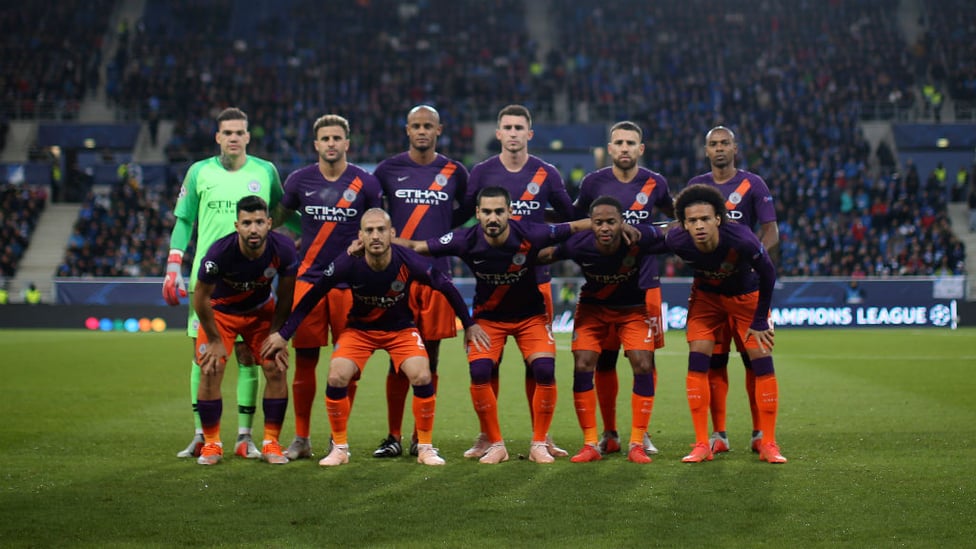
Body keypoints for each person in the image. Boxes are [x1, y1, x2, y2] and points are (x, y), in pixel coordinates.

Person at [261, 209, 489, 467]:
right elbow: (312, 296)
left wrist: (469, 324)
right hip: (360, 331)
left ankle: (425, 447)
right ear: (360, 236)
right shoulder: (347, 262)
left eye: (381, 230)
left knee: (423, 375)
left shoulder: (408, 260)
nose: (376, 235)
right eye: (369, 230)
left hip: (400, 330)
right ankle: (340, 448)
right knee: (336, 375)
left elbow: (445, 284)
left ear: (392, 233)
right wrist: (283, 334)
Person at [398, 186, 594, 464]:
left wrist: (609, 222)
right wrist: (382, 240)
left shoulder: (530, 232)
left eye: (499, 211)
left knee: (544, 368)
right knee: (479, 370)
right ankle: (495, 443)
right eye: (487, 212)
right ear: (477, 213)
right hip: (488, 320)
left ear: (510, 212)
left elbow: (573, 226)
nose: (493, 218)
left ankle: (539, 442)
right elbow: (419, 247)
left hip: (530, 317)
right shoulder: (465, 239)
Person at [163, 107, 285, 460]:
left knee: (251, 357)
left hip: (252, 284)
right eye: (227, 132)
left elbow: (280, 214)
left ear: (248, 136)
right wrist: (174, 264)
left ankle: (245, 437)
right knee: (202, 357)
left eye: (239, 132)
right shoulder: (199, 172)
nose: (233, 137)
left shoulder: (265, 171)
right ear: (217, 137)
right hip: (208, 282)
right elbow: (184, 221)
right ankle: (202, 434)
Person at [461, 104, 576, 457]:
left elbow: (571, 221)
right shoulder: (481, 172)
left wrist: (552, 254)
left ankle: (542, 436)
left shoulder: (546, 173)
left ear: (529, 133)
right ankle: (487, 435)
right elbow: (465, 218)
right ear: (498, 134)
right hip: (492, 282)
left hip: (535, 281)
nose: (512, 133)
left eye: (519, 127)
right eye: (507, 127)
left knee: (537, 363)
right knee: (486, 363)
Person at [277, 114, 384, 460]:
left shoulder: (366, 184)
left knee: (348, 365)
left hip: (349, 285)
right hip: (308, 282)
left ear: (347, 143)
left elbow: (377, 227)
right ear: (316, 144)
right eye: (325, 138)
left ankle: (339, 439)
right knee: (305, 361)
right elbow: (279, 219)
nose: (331, 144)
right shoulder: (298, 181)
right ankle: (302, 438)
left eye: (337, 138)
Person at [370, 105, 469, 458]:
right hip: (396, 276)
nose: (422, 131)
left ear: (439, 129)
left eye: (428, 125)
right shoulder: (388, 170)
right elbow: (370, 208)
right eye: (416, 126)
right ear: (407, 130)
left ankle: (419, 436)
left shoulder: (454, 171)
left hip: (436, 276)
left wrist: (443, 230)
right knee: (398, 358)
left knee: (433, 358)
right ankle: (393, 436)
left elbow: (468, 209)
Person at [539, 196, 668, 464]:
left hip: (633, 309)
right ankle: (590, 443)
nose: (605, 228)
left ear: (622, 222)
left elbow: (673, 233)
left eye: (611, 222)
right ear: (591, 224)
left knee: (643, 364)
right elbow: (544, 255)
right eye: (598, 223)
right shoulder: (579, 243)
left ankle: (636, 443)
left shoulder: (639, 238)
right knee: (583, 362)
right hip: (593, 309)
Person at [572, 120, 674, 456]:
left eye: (631, 142)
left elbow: (675, 221)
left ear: (640, 149)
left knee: (644, 360)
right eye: (619, 142)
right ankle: (609, 431)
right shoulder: (593, 183)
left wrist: (648, 233)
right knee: (604, 360)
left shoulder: (655, 183)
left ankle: (639, 433)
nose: (625, 148)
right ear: (610, 148)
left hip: (645, 286)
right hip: (603, 287)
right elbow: (576, 224)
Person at [665, 184, 786, 464]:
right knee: (699, 360)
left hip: (746, 298)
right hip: (707, 300)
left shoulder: (742, 239)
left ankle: (768, 442)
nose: (699, 225)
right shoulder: (677, 240)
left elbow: (768, 273)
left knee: (761, 361)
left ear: (718, 218)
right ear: (683, 224)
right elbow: (651, 239)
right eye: (692, 221)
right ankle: (703, 443)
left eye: (705, 219)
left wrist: (759, 319)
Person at [685, 125, 779, 455]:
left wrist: (754, 258)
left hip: (745, 289)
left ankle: (761, 436)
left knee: (756, 362)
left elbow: (771, 230)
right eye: (714, 144)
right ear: (706, 150)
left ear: (735, 148)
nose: (720, 148)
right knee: (714, 362)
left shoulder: (753, 184)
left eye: (725, 143)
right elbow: (682, 233)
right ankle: (717, 436)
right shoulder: (697, 186)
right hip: (708, 292)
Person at [192, 196, 298, 465]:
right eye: (247, 223)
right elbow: (200, 298)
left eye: (259, 222)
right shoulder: (219, 253)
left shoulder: (284, 249)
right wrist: (214, 339)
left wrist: (278, 334)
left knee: (276, 367)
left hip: (261, 312)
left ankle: (271, 443)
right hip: (221, 314)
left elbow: (286, 297)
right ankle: (212, 444)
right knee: (210, 368)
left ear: (269, 224)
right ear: (237, 225)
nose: (254, 229)